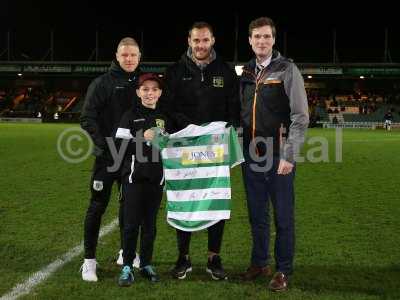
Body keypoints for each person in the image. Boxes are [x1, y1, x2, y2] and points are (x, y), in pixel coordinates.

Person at [164, 21, 239, 280]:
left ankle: (213, 257)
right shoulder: (174, 71)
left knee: (215, 198)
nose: (200, 45)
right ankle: (183, 258)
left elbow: (234, 108)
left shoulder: (226, 71)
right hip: (184, 146)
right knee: (185, 198)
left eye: (205, 40)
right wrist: (186, 127)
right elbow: (167, 105)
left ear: (213, 40)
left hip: (215, 148)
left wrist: (225, 130)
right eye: (196, 40)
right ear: (189, 41)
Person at [239, 17, 309, 291]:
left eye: (266, 36)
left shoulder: (287, 69)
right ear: (250, 40)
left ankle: (283, 270)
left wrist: (289, 156)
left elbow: (300, 116)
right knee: (257, 214)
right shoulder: (245, 71)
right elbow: (242, 113)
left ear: (273, 39)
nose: (261, 41)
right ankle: (259, 262)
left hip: (278, 154)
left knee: (282, 216)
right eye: (257, 36)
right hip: (251, 155)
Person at [80, 37, 141, 282]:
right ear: (117, 56)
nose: (129, 59)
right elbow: (87, 118)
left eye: (133, 55)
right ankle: (89, 261)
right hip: (107, 159)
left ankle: (125, 253)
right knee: (97, 207)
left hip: (133, 160)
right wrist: (105, 145)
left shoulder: (143, 83)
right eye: (124, 55)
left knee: (129, 207)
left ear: (139, 57)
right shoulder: (102, 83)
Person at [115, 73, 172, 286]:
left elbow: (172, 145)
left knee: (150, 226)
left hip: (156, 180)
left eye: (154, 89)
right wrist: (143, 138)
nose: (150, 93)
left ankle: (146, 263)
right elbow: (118, 147)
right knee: (130, 225)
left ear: (160, 93)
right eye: (145, 89)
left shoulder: (165, 117)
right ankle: (128, 265)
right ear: (138, 92)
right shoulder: (129, 115)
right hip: (133, 179)